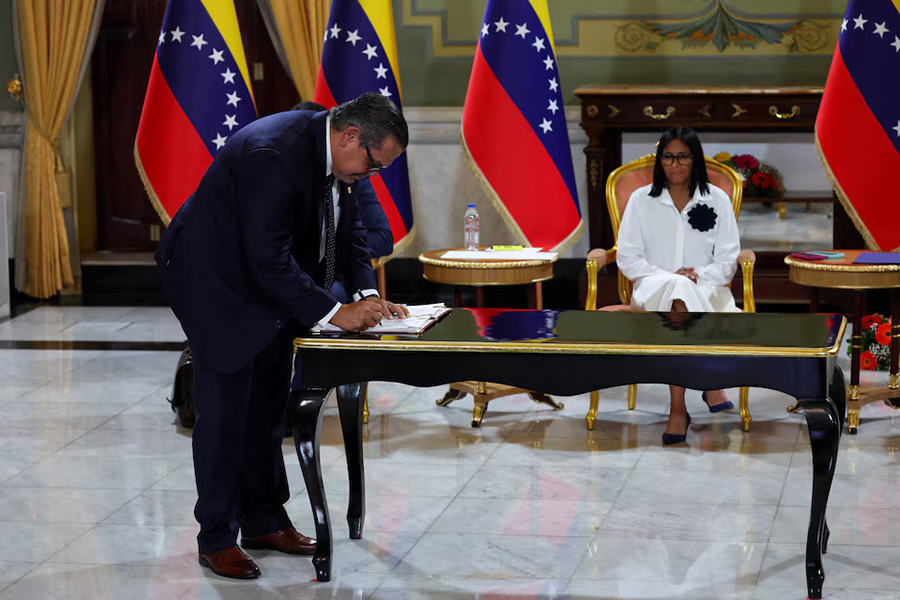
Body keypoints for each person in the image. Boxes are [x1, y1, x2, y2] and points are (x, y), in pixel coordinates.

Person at [154, 93, 409, 579]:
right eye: (373, 166)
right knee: (226, 414)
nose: (371, 176)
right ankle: (216, 537)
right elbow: (265, 257)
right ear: (350, 136)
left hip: (271, 287)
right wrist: (337, 312)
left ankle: (263, 519)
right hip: (216, 284)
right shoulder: (271, 154)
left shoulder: (340, 161)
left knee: (268, 407)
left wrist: (366, 296)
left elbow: (350, 236)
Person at [616, 126, 741, 445]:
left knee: (682, 293)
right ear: (659, 162)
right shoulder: (641, 200)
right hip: (653, 287)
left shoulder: (718, 200)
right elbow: (628, 258)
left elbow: (728, 260)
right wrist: (668, 275)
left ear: (695, 159)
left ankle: (677, 410)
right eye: (668, 157)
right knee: (675, 289)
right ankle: (709, 383)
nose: (674, 164)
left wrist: (698, 275)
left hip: (707, 288)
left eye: (682, 157)